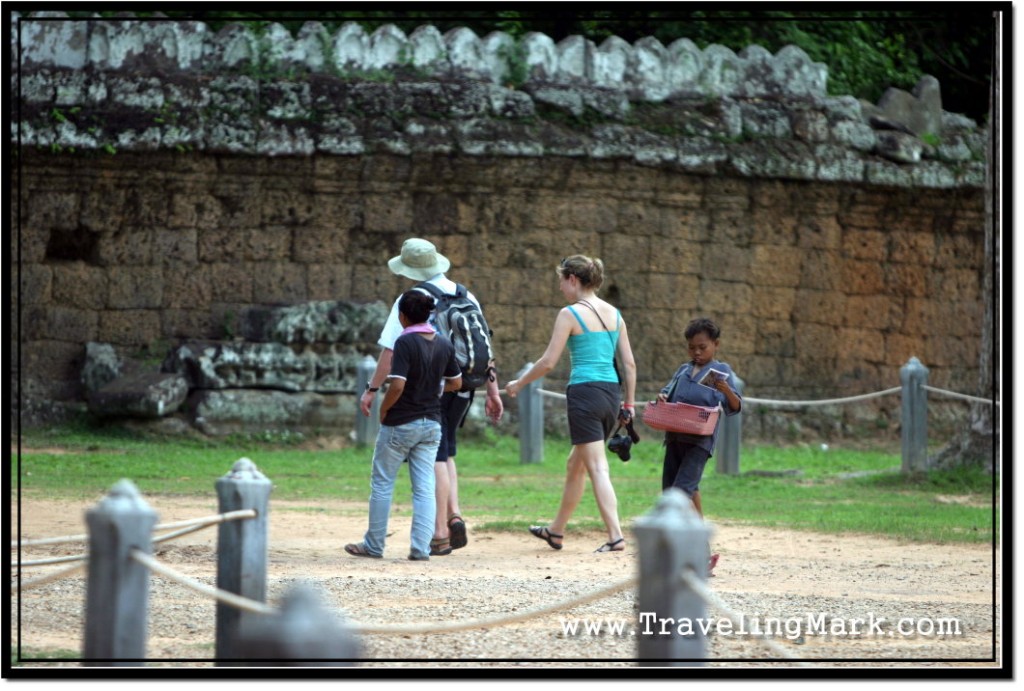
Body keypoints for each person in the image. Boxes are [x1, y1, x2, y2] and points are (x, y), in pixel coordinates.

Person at [358, 238, 504, 557]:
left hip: (429, 389)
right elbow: (485, 347)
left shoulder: (412, 299)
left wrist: (371, 390)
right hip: (463, 384)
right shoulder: (465, 294)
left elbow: (389, 350)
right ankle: (454, 512)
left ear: (410, 268)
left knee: (435, 456)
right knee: (446, 449)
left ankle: (439, 533)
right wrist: (493, 391)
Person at [505, 255, 637, 553]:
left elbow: (549, 361)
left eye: (562, 281)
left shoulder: (569, 314)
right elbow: (629, 364)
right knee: (574, 465)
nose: (561, 287)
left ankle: (615, 536)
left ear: (573, 279)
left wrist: (519, 383)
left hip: (585, 394)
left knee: (597, 468)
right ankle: (556, 531)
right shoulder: (615, 314)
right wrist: (628, 403)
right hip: (610, 394)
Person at [345, 290, 463, 560]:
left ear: (402, 316)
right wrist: (433, 390)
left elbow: (397, 384)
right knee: (423, 487)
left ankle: (374, 545)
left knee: (383, 483)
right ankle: (421, 548)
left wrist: (384, 410)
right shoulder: (443, 343)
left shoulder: (405, 342)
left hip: (401, 422)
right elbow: (456, 382)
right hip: (432, 424)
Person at [655, 317, 743, 574]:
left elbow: (735, 407)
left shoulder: (722, 371)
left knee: (680, 495)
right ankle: (700, 550)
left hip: (699, 442)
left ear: (715, 344)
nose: (697, 352)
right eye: (692, 347)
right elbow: (668, 392)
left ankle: (682, 552)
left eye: (702, 347)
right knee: (673, 492)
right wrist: (662, 396)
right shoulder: (682, 370)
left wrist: (725, 389)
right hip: (674, 438)